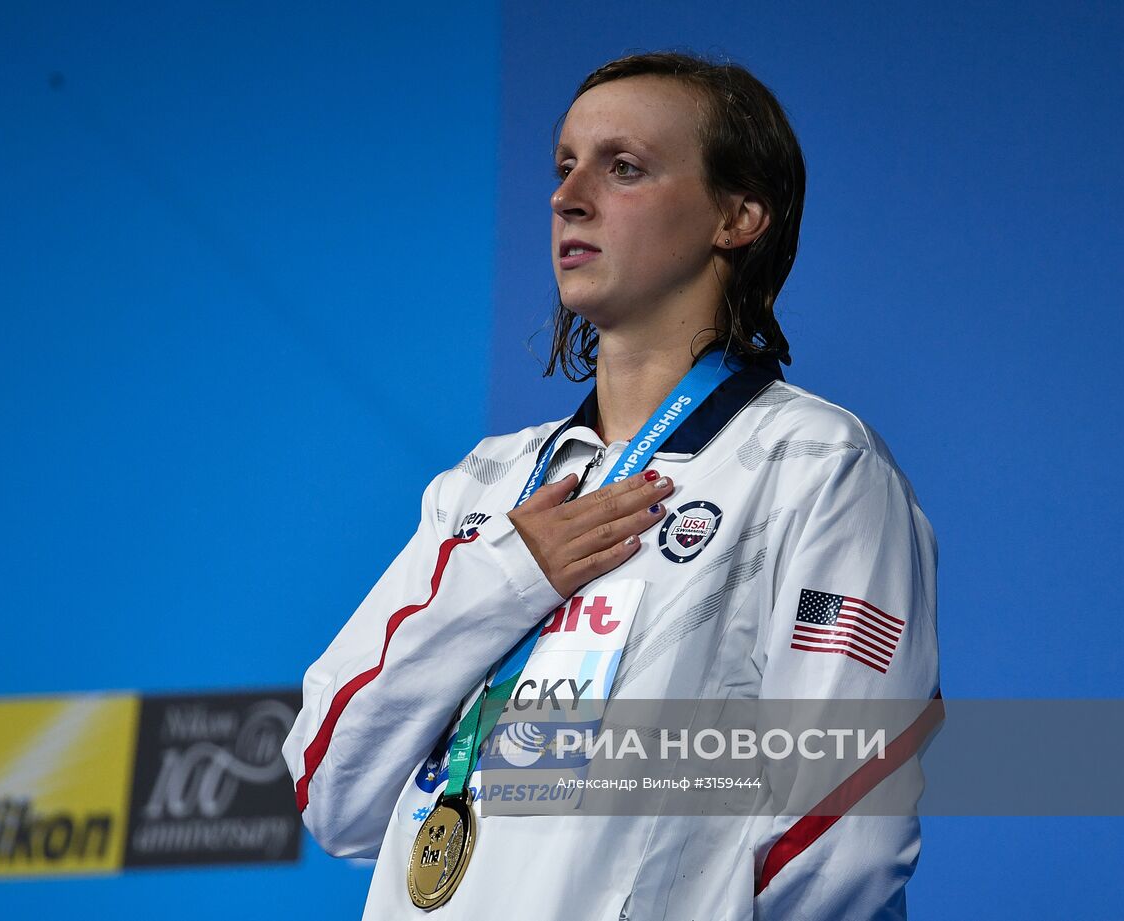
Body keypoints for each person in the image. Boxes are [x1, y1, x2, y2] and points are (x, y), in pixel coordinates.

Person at [283, 50, 940, 919]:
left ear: (738, 216)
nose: (568, 196)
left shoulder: (816, 465)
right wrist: (507, 577)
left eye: (623, 167)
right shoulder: (486, 484)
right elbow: (332, 789)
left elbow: (839, 822)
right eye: (563, 167)